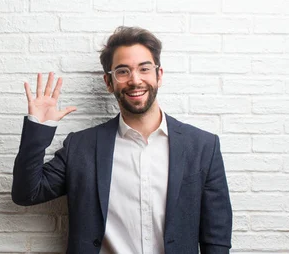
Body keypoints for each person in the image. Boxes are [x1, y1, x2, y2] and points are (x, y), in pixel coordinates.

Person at [12, 26, 232, 254]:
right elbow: (26, 193)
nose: (135, 80)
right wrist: (39, 128)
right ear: (109, 82)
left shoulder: (203, 147)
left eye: (144, 69)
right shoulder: (81, 147)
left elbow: (216, 238)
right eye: (123, 71)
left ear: (159, 75)